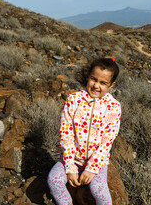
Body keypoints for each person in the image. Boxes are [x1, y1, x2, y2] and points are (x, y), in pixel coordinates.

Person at [47, 57, 121, 205]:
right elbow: (66, 134)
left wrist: (92, 169)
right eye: (94, 79)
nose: (96, 86)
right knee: (53, 180)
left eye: (103, 83)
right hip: (72, 158)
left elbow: (107, 142)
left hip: (97, 162)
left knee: (99, 191)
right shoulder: (73, 100)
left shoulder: (113, 107)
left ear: (111, 85)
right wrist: (70, 168)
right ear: (88, 76)